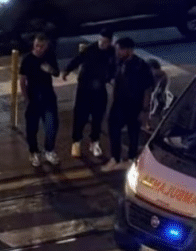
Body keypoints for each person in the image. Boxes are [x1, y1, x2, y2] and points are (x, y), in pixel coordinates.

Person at [102, 37, 153, 171]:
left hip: (134, 105)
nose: (118, 52)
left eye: (120, 50)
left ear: (129, 50)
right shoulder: (118, 62)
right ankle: (115, 158)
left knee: (133, 132)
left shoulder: (141, 66)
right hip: (119, 103)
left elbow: (148, 89)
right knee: (113, 129)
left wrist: (144, 109)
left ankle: (131, 158)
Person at [64, 29, 114, 159]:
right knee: (80, 116)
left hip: (99, 89)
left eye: (106, 42)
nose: (103, 44)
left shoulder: (111, 52)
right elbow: (78, 59)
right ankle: (76, 141)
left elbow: (114, 67)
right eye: (101, 41)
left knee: (98, 117)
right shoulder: (90, 49)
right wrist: (67, 70)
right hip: (84, 89)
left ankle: (94, 142)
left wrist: (109, 78)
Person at [20, 33, 60, 168]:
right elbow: (22, 79)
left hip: (48, 97)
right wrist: (26, 98)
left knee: (51, 126)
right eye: (37, 45)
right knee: (32, 128)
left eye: (41, 46)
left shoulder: (49, 56)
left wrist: (50, 69)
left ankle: (49, 150)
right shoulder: (27, 59)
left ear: (46, 46)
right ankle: (34, 152)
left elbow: (56, 72)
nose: (38, 49)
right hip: (33, 98)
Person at [145, 58, 172, 132]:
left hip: (160, 97)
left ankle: (158, 126)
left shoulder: (164, 77)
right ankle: (149, 123)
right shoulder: (149, 76)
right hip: (152, 95)